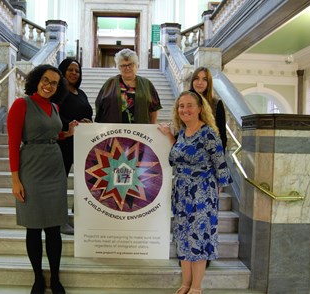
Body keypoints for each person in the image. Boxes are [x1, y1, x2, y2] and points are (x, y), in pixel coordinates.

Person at [7, 64, 78, 294]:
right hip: (31, 168)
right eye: (45, 80)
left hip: (55, 168)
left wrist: (68, 132)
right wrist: (15, 179)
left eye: (54, 83)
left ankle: (55, 278)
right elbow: (13, 143)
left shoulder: (55, 107)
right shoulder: (22, 104)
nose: (49, 86)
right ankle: (38, 278)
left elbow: (52, 134)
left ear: (58, 87)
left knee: (54, 228)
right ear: (37, 81)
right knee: (34, 228)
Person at [158, 91, 232, 294]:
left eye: (189, 105)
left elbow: (220, 164)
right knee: (183, 237)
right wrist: (169, 136)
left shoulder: (208, 133)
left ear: (200, 108)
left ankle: (196, 287)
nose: (185, 109)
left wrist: (215, 194)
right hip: (182, 193)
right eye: (181, 106)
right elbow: (177, 156)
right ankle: (185, 283)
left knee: (199, 239)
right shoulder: (182, 132)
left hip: (202, 194)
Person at [55, 58, 93, 235]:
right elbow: (54, 116)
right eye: (70, 70)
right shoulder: (56, 92)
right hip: (62, 143)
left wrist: (87, 122)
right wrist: (71, 125)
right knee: (60, 183)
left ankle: (78, 215)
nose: (73, 73)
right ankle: (60, 220)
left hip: (81, 145)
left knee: (84, 182)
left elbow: (87, 115)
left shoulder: (81, 93)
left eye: (77, 71)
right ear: (62, 71)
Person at [94, 48, 162, 124]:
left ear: (136, 65)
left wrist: (152, 127)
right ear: (119, 67)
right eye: (123, 65)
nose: (127, 68)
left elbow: (154, 108)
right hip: (113, 131)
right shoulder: (110, 83)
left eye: (130, 64)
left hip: (140, 132)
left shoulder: (146, 84)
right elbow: (99, 104)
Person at [190, 67, 227, 151]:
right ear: (192, 81)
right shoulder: (184, 101)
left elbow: (222, 136)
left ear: (209, 83)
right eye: (196, 78)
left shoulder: (216, 104)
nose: (200, 82)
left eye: (204, 79)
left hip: (209, 155)